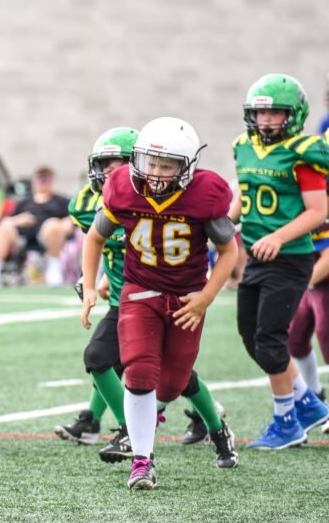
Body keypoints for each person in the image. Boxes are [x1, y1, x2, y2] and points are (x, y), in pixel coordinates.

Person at [58, 127, 236, 469]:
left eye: (115, 164)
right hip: (134, 294)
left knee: (173, 381)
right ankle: (130, 437)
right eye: (104, 165)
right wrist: (93, 281)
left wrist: (206, 296)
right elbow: (98, 241)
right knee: (115, 362)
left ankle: (213, 425)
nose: (109, 172)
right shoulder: (108, 195)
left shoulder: (199, 194)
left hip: (180, 294)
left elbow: (228, 248)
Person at [231, 74, 329, 449]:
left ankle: (287, 421)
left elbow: (317, 211)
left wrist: (278, 236)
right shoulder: (243, 146)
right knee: (250, 336)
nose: (267, 120)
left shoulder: (305, 151)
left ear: (295, 114)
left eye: (276, 112)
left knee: (271, 340)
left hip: (290, 258)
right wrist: (225, 223)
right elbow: (246, 194)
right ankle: (308, 402)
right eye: (261, 113)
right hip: (257, 255)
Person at [0, 166, 74, 287]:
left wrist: (65, 222)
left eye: (46, 179)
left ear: (52, 181)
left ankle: (54, 268)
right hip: (22, 236)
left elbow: (72, 219)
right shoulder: (24, 202)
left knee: (52, 224)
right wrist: (19, 220)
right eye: (40, 178)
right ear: (34, 181)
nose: (43, 182)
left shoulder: (61, 201)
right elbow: (6, 220)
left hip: (48, 237)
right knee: (4, 227)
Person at [287, 220, 329, 406]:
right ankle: (315, 398)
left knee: (326, 334)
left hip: (322, 282)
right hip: (309, 283)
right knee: (295, 339)